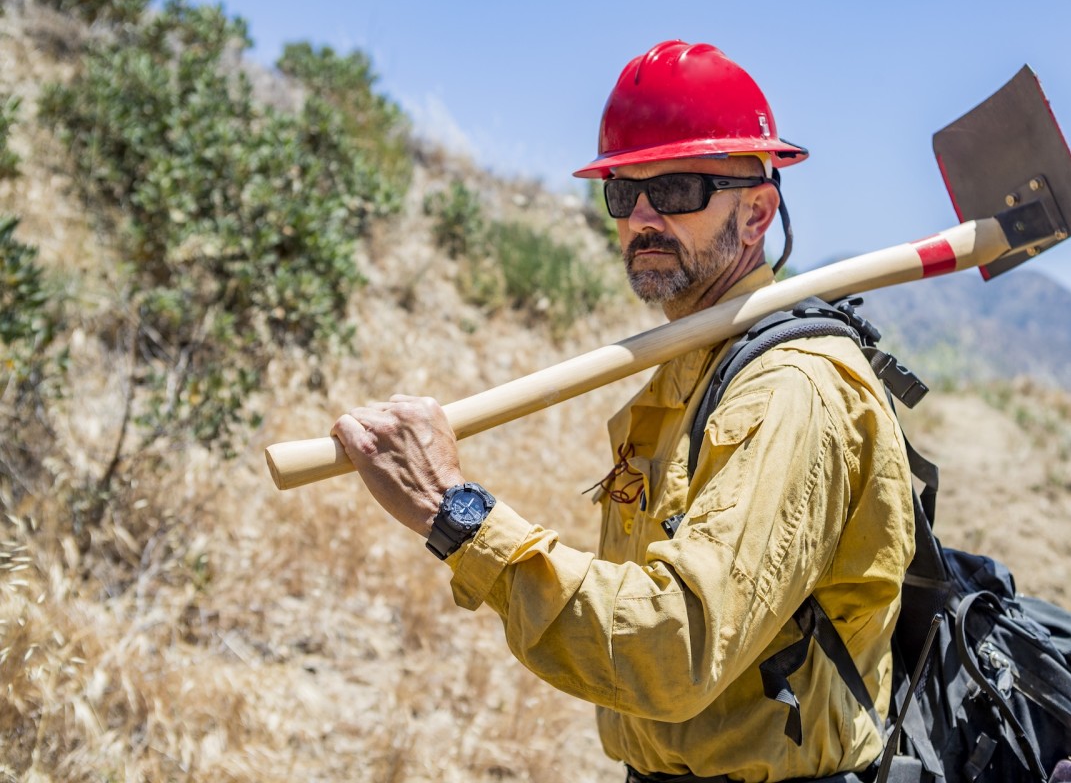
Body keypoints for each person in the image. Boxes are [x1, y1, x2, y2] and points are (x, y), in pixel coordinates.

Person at [332, 40, 915, 783]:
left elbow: (674, 649)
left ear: (757, 212)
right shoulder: (688, 369)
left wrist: (457, 514)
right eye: (621, 192)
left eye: (674, 191)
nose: (641, 215)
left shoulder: (789, 391)